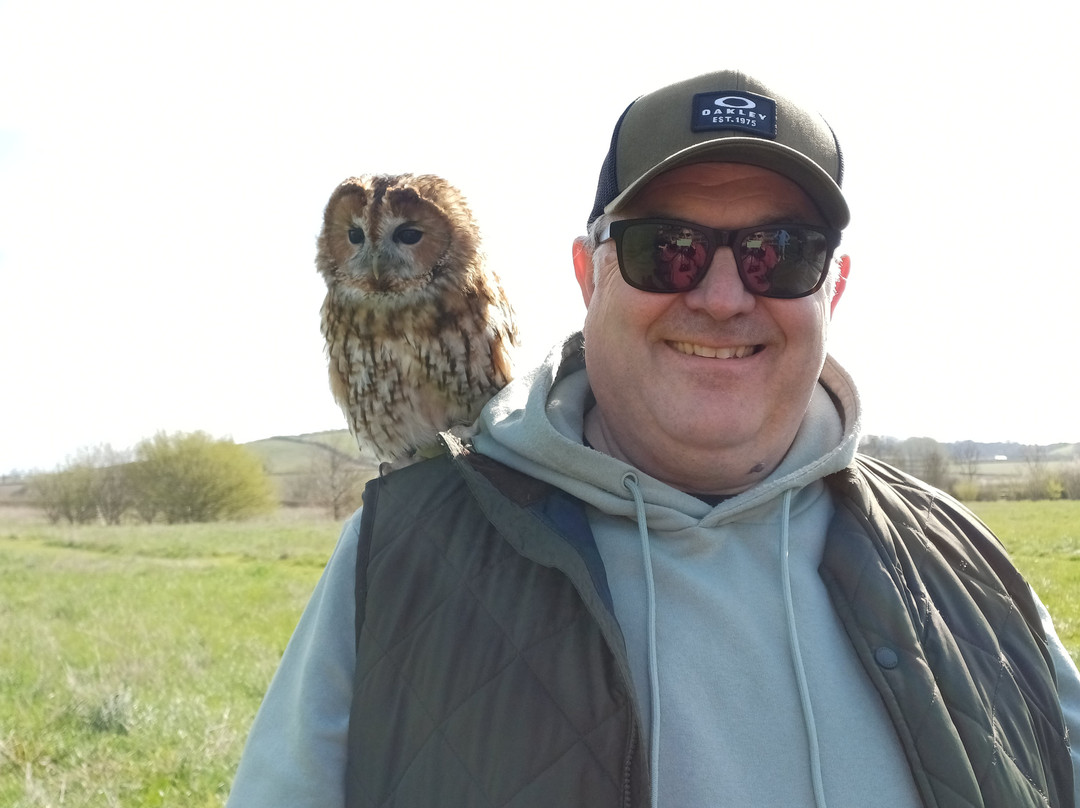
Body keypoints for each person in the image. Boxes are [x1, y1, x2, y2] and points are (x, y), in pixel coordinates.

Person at [226, 69, 1080, 808]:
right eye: (664, 248)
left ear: (834, 289)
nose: (719, 296)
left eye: (778, 254)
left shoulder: (964, 571)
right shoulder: (403, 553)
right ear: (585, 272)